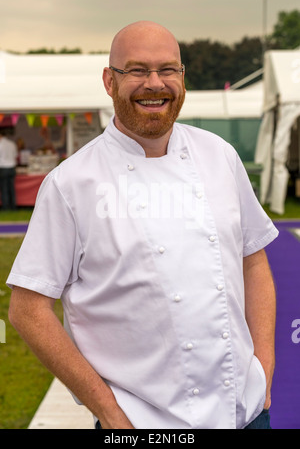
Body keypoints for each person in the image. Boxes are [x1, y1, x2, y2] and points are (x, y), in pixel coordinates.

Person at [8, 21, 278, 429]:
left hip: (245, 410)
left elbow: (253, 261)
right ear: (109, 81)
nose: (155, 83)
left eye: (168, 69)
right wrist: (109, 412)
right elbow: (27, 310)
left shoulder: (219, 156)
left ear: (182, 77)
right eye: (136, 70)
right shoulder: (71, 184)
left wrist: (263, 368)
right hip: (139, 423)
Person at [0, 132, 18, 210]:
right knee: (11, 188)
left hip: (3, 167)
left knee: (4, 188)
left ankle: (6, 207)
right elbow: (15, 155)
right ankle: (13, 206)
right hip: (12, 167)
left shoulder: (1, 144)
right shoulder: (12, 144)